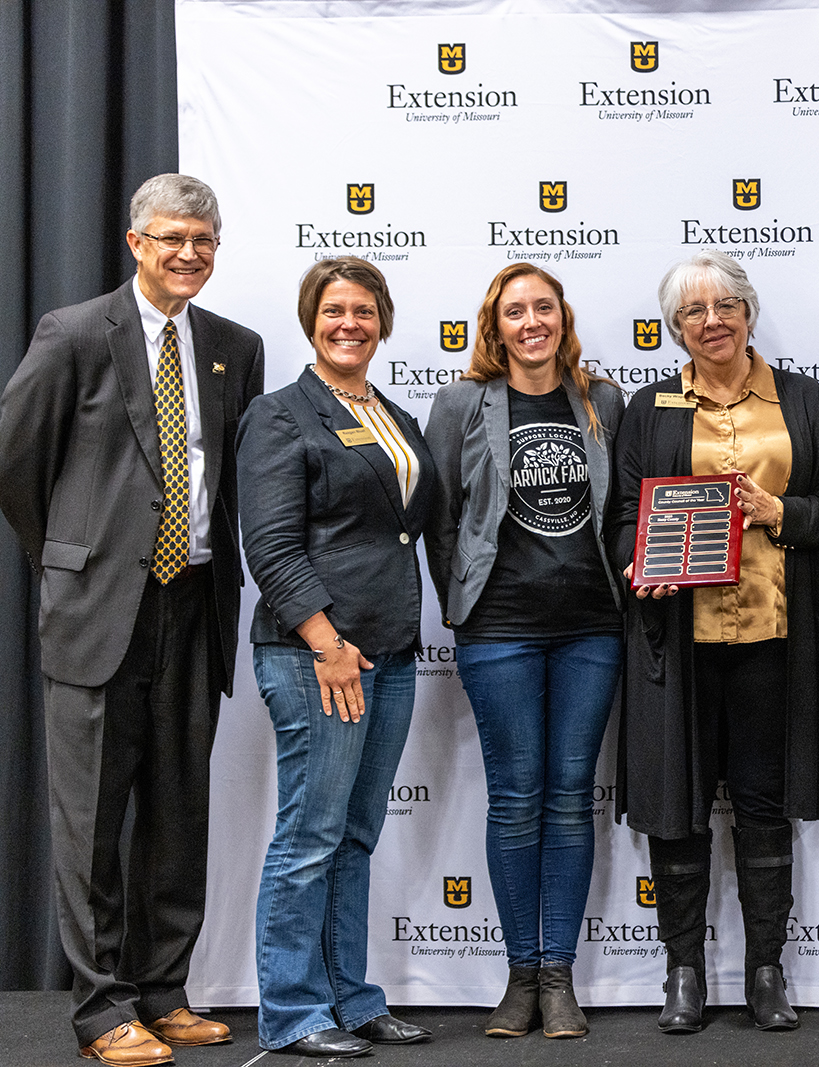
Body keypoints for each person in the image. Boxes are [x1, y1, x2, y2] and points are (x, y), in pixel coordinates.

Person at [0, 174, 262, 1067]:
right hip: (97, 611)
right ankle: (102, 1008)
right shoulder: (74, 333)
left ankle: (163, 990)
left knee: (180, 812)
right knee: (92, 823)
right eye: (172, 238)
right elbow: (16, 460)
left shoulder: (235, 345)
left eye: (204, 240)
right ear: (134, 241)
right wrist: (66, 556)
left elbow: (226, 478)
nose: (188, 253)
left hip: (194, 605)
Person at [608, 249, 819, 1035]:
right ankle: (682, 971)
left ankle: (766, 970)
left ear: (749, 311)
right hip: (677, 643)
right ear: (674, 326)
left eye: (725, 306)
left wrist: (777, 511)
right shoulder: (649, 408)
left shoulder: (801, 399)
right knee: (677, 808)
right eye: (692, 311)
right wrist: (634, 563)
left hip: (773, 640)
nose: (710, 321)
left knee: (762, 807)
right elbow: (622, 513)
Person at [239, 256, 437, 1059]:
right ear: (310, 321)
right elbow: (272, 545)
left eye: (362, 310)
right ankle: (292, 1009)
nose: (347, 323)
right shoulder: (281, 414)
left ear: (383, 320)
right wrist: (327, 644)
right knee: (308, 837)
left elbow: (403, 528)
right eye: (333, 311)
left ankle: (351, 997)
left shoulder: (394, 414)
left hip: (388, 650)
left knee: (353, 835)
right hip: (318, 655)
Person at [424, 265, 625, 1040]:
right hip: (498, 629)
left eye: (544, 306)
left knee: (572, 794)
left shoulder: (601, 401)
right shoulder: (460, 403)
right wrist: (463, 598)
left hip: (590, 629)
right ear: (496, 325)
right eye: (516, 311)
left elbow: (617, 511)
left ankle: (559, 974)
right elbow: (440, 515)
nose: (532, 320)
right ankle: (518, 976)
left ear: (561, 317)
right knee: (514, 796)